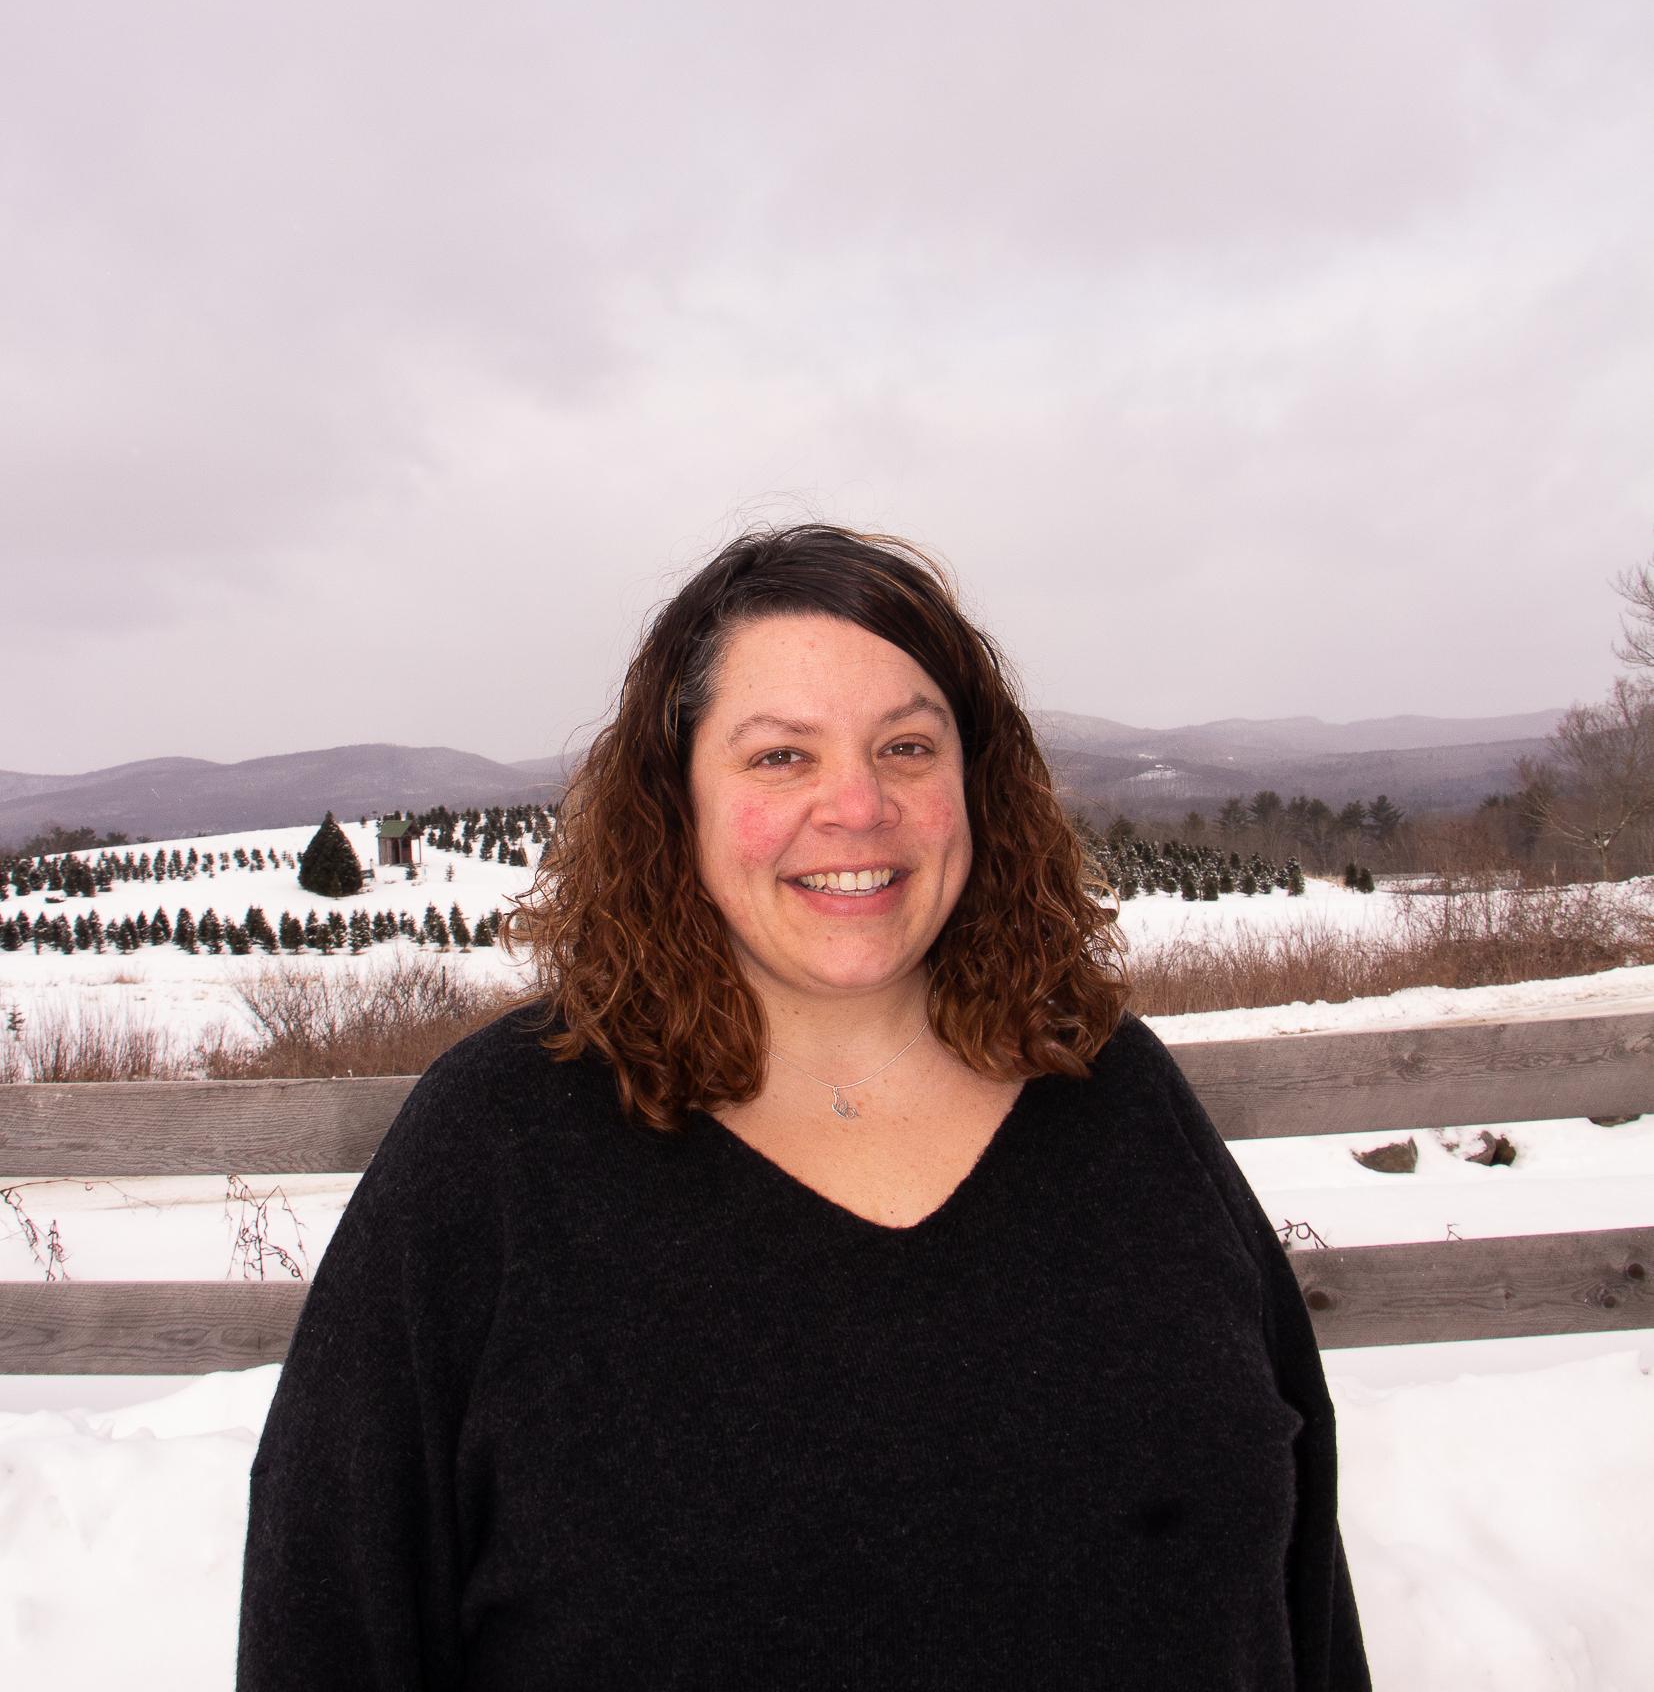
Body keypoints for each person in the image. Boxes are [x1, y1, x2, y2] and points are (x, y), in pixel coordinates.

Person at [237, 524, 1370, 1689]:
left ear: (974, 780)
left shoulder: (1118, 1098)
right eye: (781, 756)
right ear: (673, 796)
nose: (858, 805)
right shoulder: (498, 1150)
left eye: (908, 745)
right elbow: (329, 1622)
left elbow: (1302, 1593)